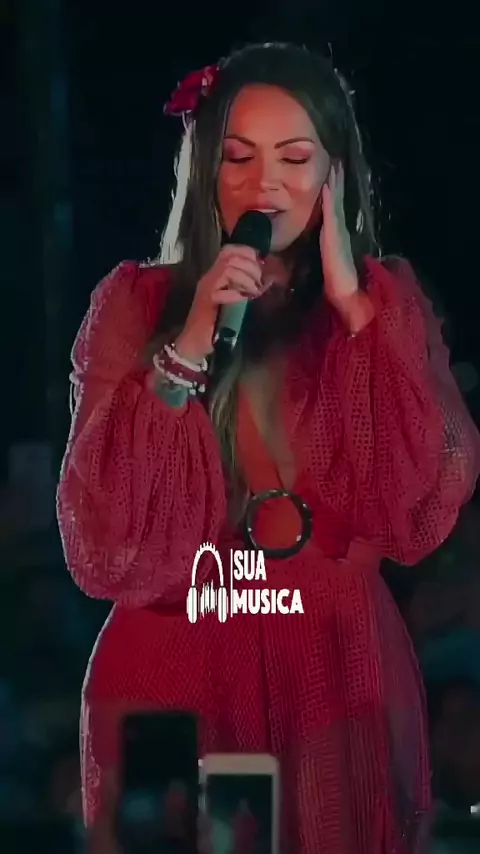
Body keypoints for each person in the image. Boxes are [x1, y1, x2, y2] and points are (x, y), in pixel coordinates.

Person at [57, 41, 480, 854]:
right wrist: (190, 338)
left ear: (334, 175)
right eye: (239, 157)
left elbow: (421, 497)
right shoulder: (136, 302)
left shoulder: (381, 308)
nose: (265, 183)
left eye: (294, 157)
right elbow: (102, 530)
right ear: (206, 169)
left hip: (331, 661)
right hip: (180, 649)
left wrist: (356, 305)